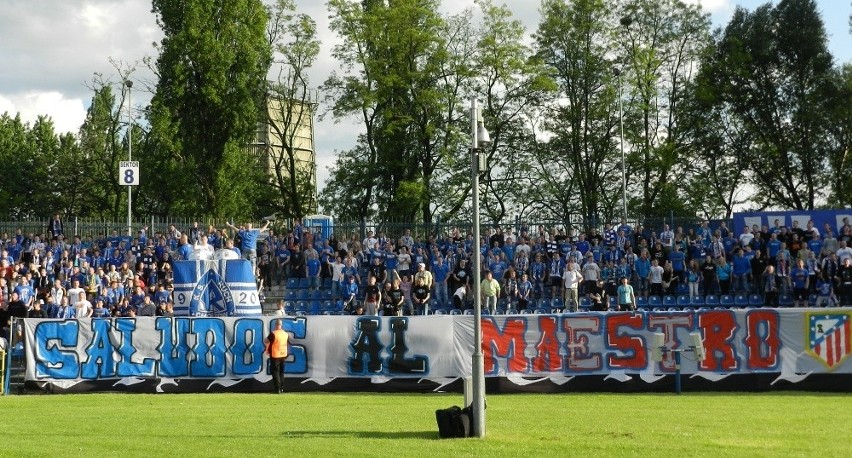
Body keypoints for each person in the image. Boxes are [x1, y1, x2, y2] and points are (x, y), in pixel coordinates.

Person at [264, 320, 290, 394]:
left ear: (275, 325)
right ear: (281, 325)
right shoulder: (285, 334)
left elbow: (266, 341)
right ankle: (282, 388)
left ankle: (277, 389)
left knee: (275, 372)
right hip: (283, 354)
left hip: (275, 354)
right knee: (281, 372)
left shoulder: (273, 334)